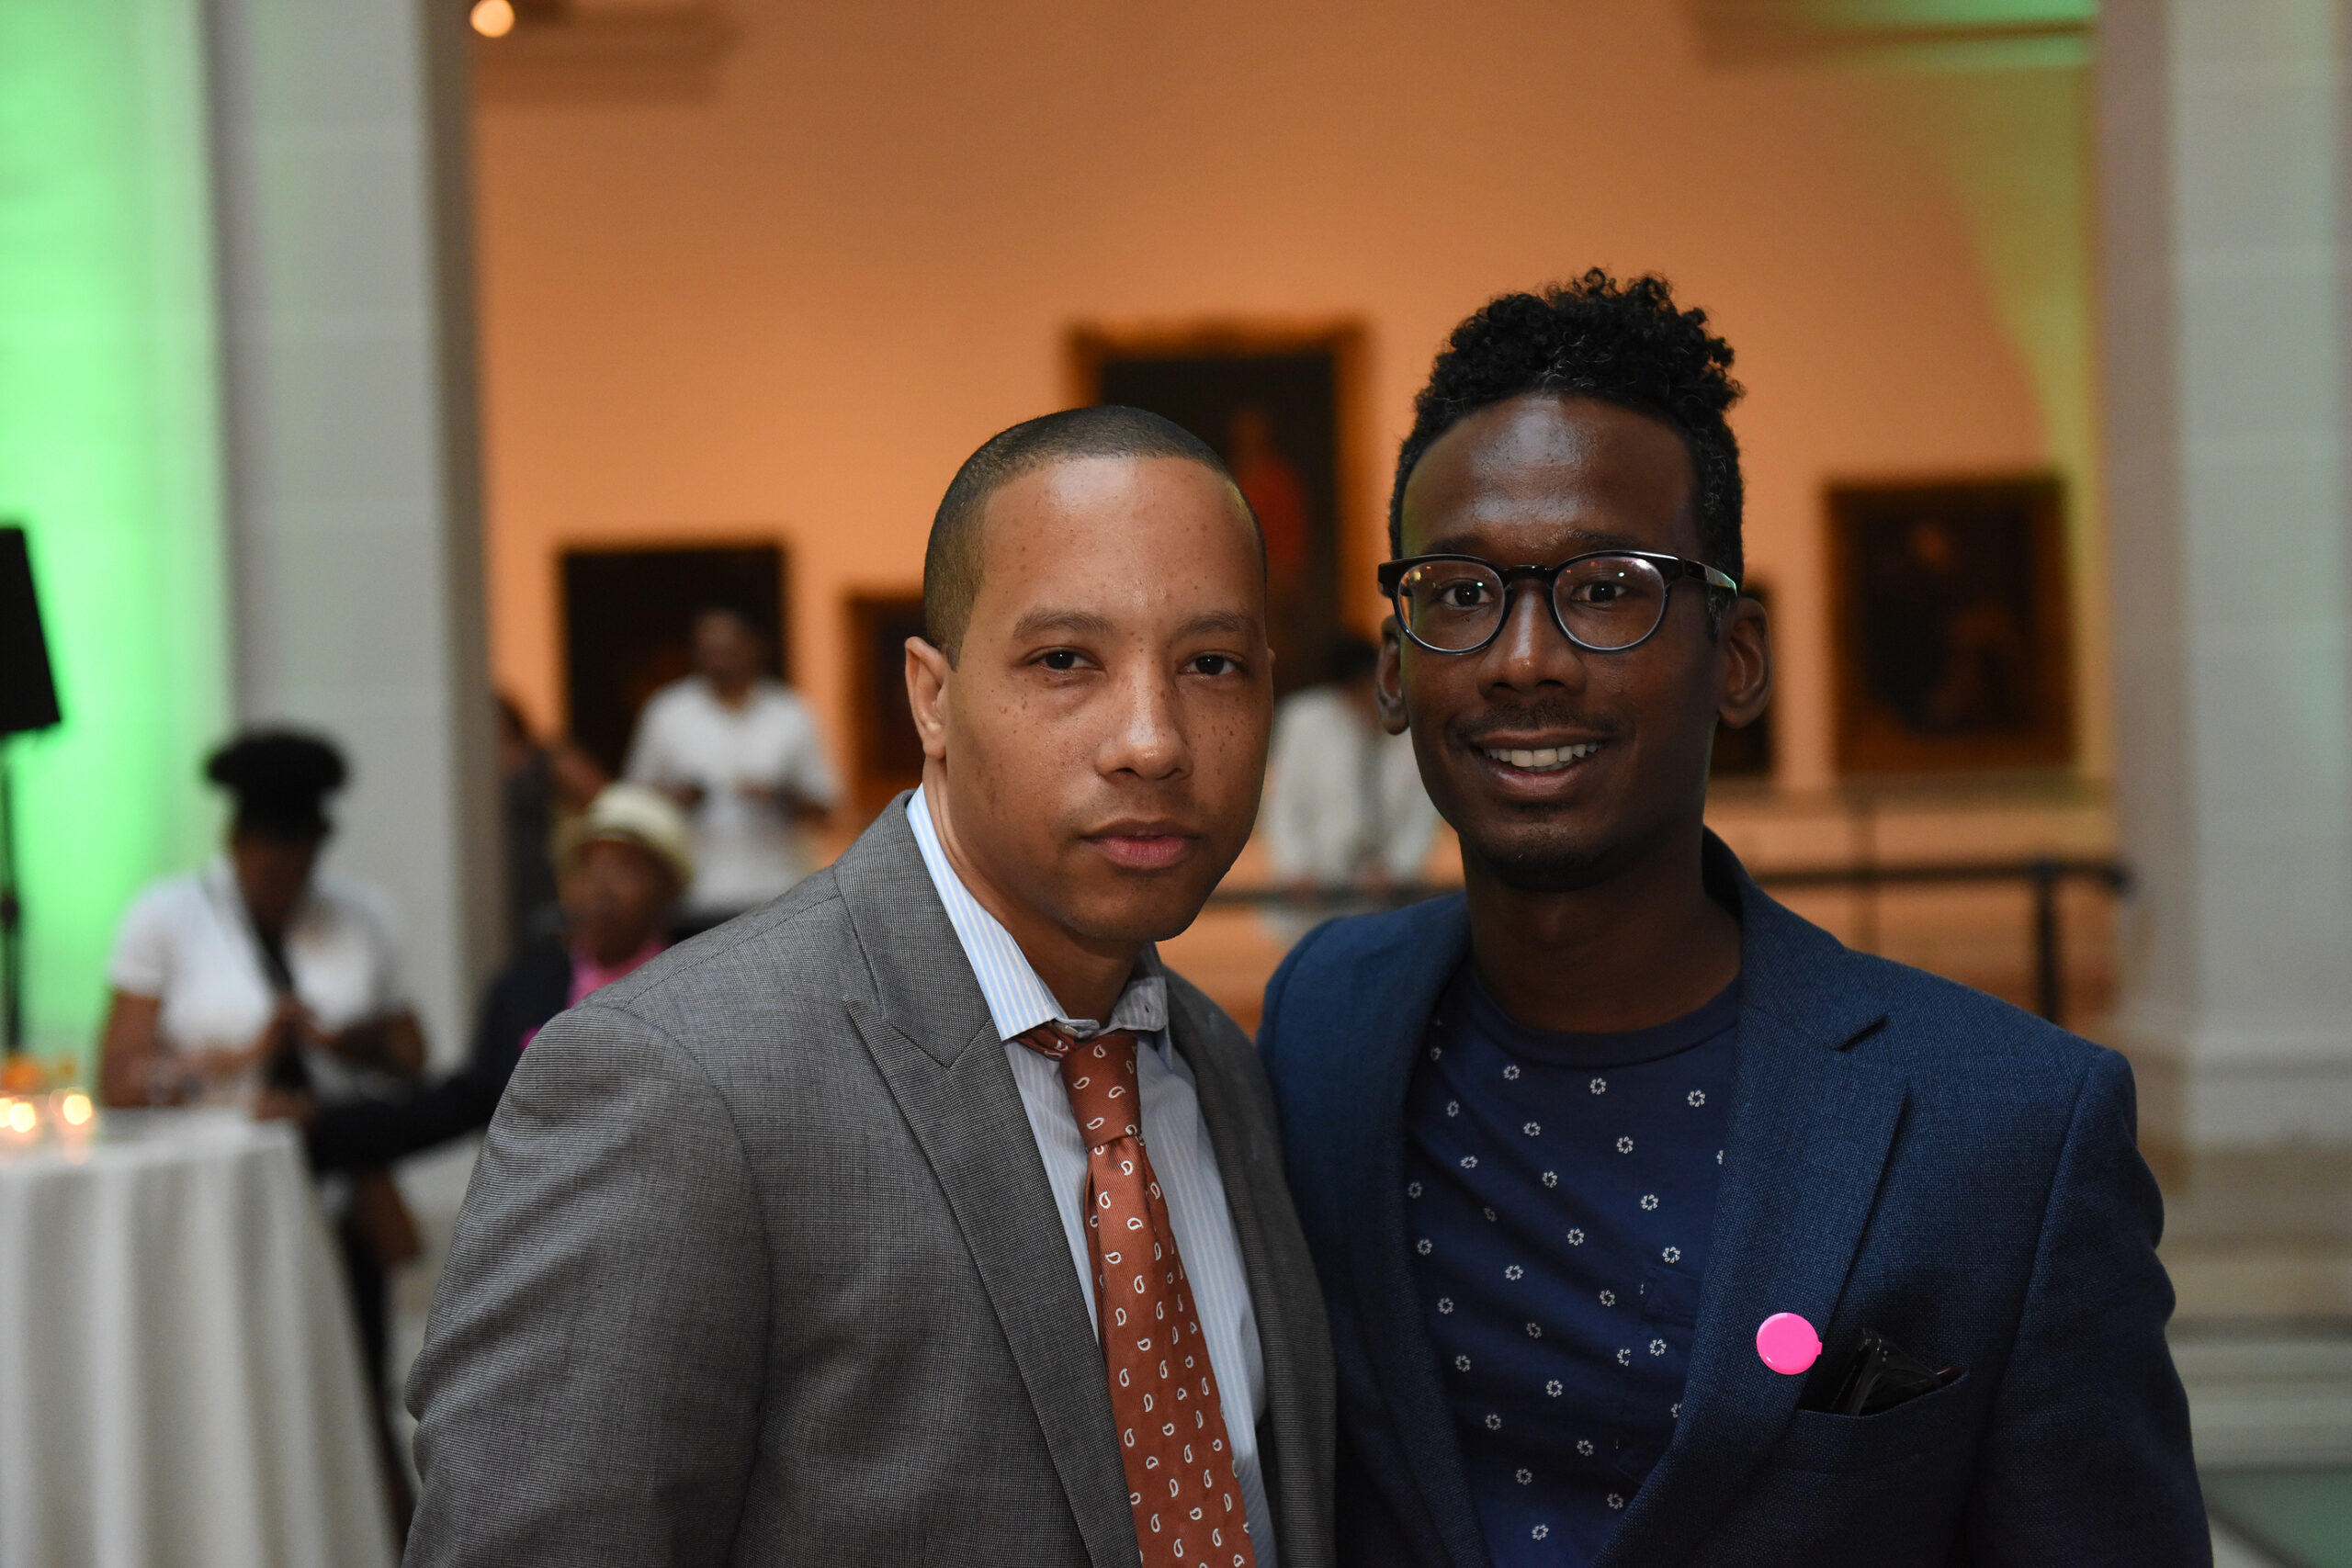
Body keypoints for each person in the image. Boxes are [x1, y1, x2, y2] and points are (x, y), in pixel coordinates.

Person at [1257, 274, 2206, 1565]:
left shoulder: (2013, 1133)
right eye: (1463, 590)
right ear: (1393, 666)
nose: (1524, 654)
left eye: (1605, 587)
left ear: (1739, 655)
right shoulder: (1322, 1027)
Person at [404, 407, 1336, 1567]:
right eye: (1064, 661)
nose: (1152, 739)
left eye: (1211, 664)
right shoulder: (677, 1084)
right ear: (932, 698)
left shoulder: (1214, 1063)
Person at [97, 728, 428, 1521]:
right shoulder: (168, 915)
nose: (284, 885)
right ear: (234, 842)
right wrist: (236, 1064)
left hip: (339, 1186)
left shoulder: (362, 914)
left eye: (301, 865)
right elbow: (115, 1078)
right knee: (231, 1380)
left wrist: (338, 1040)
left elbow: (412, 1052)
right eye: (268, 868)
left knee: (356, 1374)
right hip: (211, 1197)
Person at [267, 783, 689, 1174]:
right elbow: (467, 1100)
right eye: (586, 869)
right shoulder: (524, 989)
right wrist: (320, 1123)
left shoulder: (696, 987)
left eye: (625, 870)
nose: (601, 889)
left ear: (667, 889)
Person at [623, 604, 838, 923]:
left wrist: (779, 796)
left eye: (728, 648)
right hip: (691, 896)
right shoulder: (667, 713)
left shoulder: (791, 713)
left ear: (753, 647)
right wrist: (676, 798)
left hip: (777, 891)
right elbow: (633, 804)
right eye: (709, 649)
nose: (719, 658)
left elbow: (826, 808)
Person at [1262, 637, 1438, 900]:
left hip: (1388, 892)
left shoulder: (1411, 724)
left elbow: (1423, 808)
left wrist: (1397, 868)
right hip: (1316, 887)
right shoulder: (1305, 720)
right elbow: (1286, 802)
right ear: (1346, 690)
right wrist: (1297, 866)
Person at [494, 692, 609, 953]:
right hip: (501, 885)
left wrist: (583, 859)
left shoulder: (546, 756)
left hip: (546, 881)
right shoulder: (470, 764)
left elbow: (607, 805)